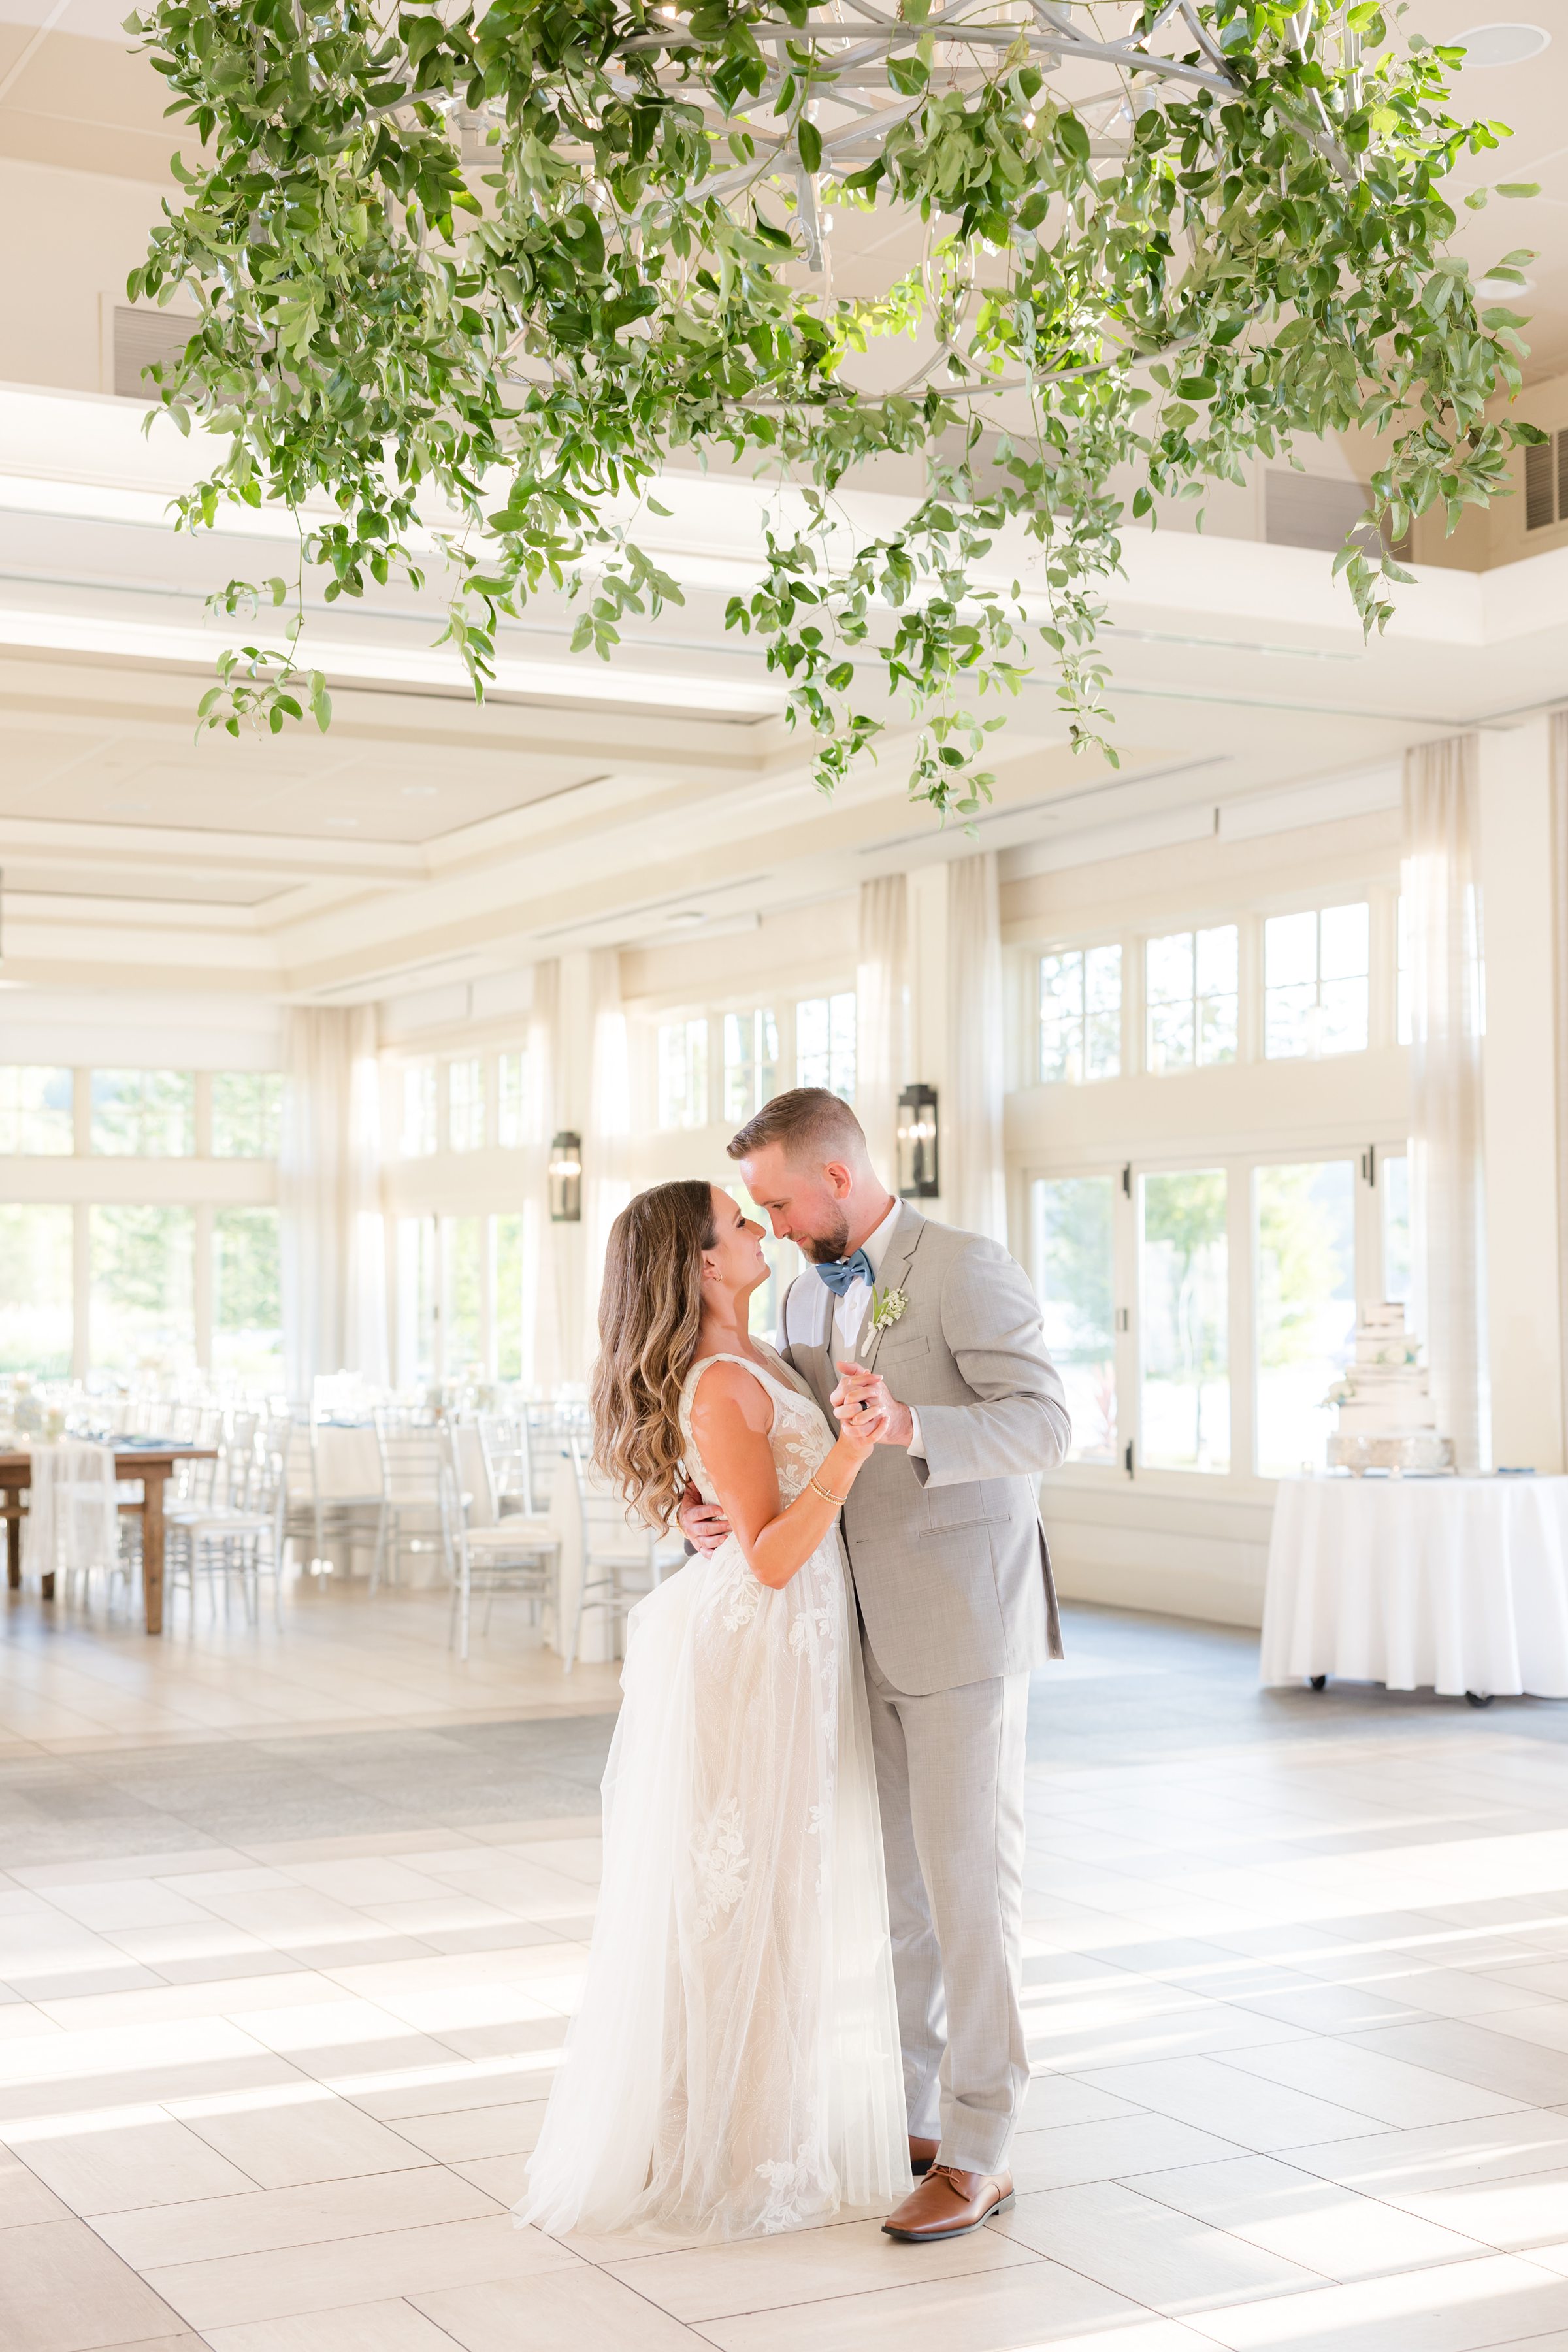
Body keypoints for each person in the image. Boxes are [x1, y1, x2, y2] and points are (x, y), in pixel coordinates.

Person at [682, 1089, 1070, 2243]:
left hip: (959, 1621)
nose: (778, 1225)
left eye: (783, 1202)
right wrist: (703, 1516)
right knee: (899, 1898)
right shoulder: (803, 1294)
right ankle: (915, 2116)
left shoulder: (965, 1266)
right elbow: (777, 1446)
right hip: (846, 1630)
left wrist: (913, 1428)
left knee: (968, 1893)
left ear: (838, 1179)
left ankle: (982, 2147)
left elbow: (1045, 1424)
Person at [516, 1179, 909, 2242]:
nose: (757, 1232)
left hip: (786, 1640)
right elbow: (777, 1556)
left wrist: (722, 1503)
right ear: (699, 1262)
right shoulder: (721, 1383)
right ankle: (738, 2148)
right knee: (753, 1893)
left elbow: (747, 1518)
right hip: (760, 1648)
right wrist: (851, 1448)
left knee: (782, 1888)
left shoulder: (758, 1354)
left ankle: (763, 2125)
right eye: (739, 1226)